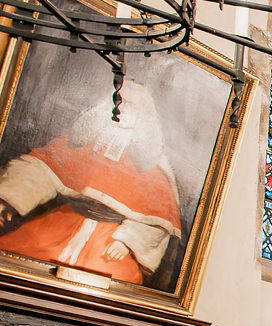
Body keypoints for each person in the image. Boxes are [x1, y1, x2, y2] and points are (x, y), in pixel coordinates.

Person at [0, 85, 181, 289]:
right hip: (66, 220)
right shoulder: (83, 143)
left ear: (144, 117)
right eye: (120, 101)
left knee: (120, 280)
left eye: (133, 106)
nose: (124, 109)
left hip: (111, 237)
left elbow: (157, 218)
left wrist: (127, 241)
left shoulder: (153, 166)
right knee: (19, 255)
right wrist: (8, 199)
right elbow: (41, 168)